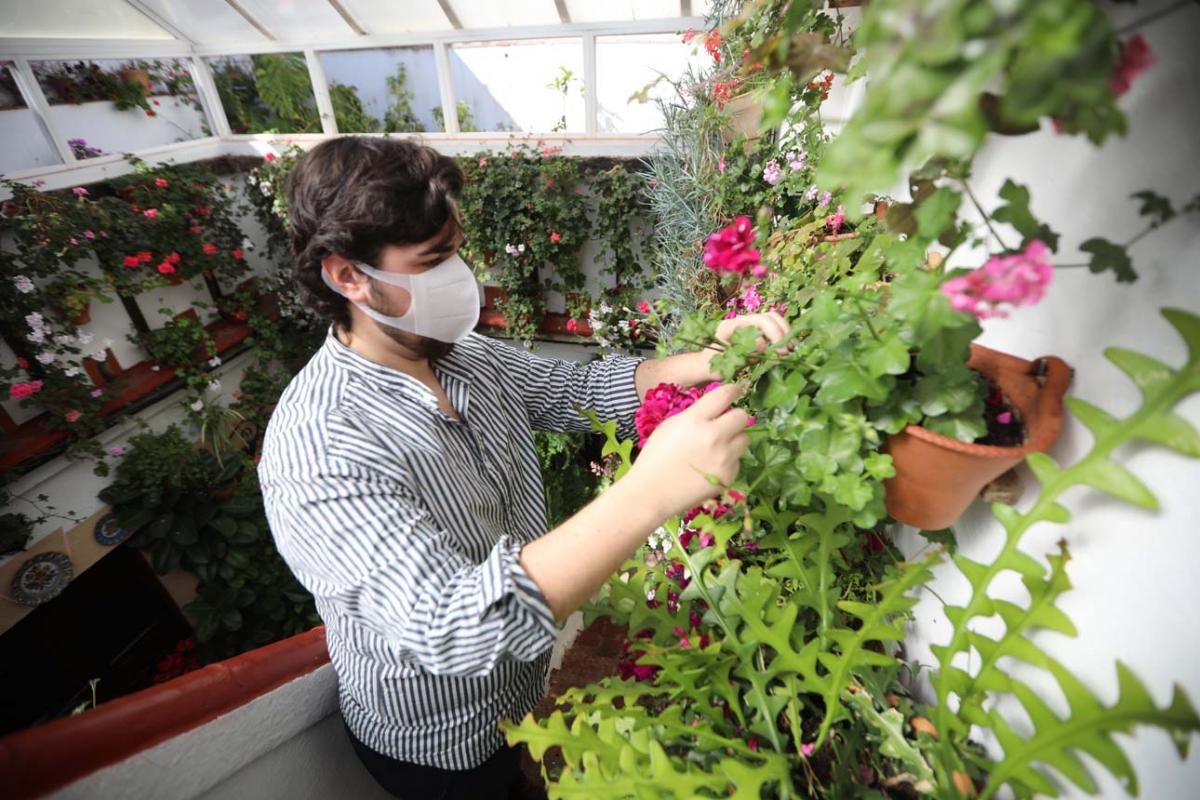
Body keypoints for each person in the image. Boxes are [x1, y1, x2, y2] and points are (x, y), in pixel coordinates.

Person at [258, 137, 786, 799]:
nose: (461, 275)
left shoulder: (460, 353)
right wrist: (651, 489)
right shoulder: (319, 445)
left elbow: (573, 394)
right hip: (439, 746)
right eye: (433, 260)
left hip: (519, 694)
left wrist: (705, 358)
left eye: (456, 250)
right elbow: (456, 628)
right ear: (348, 277)